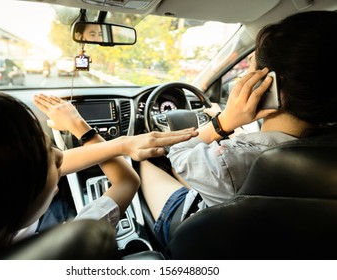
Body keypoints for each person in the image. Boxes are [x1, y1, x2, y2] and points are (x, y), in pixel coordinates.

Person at [140, 10, 337, 247]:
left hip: (199, 232)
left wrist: (223, 122)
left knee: (145, 162)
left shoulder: (231, 161)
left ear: (268, 86)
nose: (244, 76)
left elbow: (178, 154)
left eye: (250, 70)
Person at [0, 91, 198, 259]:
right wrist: (81, 127)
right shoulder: (75, 242)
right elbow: (127, 180)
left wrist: (122, 144)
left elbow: (26, 170)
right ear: (12, 197)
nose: (60, 157)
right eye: (51, 159)